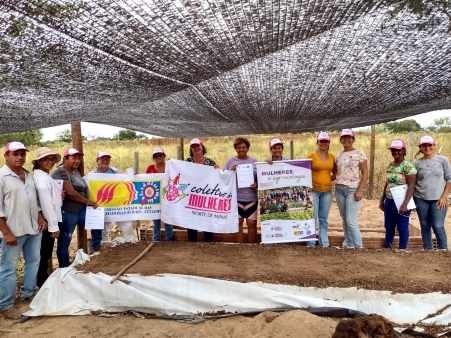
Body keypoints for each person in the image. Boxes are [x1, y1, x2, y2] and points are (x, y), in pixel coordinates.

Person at [0, 142, 47, 320]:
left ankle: (28, 293)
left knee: (33, 262)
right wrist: (6, 232)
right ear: (6, 156)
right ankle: (6, 304)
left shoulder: (28, 175)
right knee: (9, 268)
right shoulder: (2, 176)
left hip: (33, 229)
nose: (19, 157)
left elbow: (34, 201)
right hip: (13, 231)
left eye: (22, 154)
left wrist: (40, 217)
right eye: (15, 154)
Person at [51, 148, 98, 268]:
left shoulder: (76, 171)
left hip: (80, 210)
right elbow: (70, 192)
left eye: (78, 158)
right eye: (74, 158)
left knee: (97, 218)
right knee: (64, 241)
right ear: (65, 159)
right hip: (67, 212)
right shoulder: (61, 171)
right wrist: (88, 201)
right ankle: (64, 267)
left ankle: (97, 248)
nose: (77, 161)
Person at [88, 151, 136, 245]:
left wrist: (134, 178)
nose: (105, 161)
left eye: (107, 159)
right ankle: (103, 252)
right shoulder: (91, 175)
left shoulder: (116, 172)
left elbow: (125, 184)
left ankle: (133, 247)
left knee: (127, 228)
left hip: (119, 206)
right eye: (102, 159)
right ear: (97, 161)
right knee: (103, 231)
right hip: (101, 207)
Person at [32, 147, 63, 288]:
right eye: (46, 159)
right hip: (47, 221)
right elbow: (46, 205)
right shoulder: (42, 180)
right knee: (43, 254)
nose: (50, 162)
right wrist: (53, 227)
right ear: (38, 161)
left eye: (52, 159)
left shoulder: (44, 177)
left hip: (48, 220)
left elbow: (51, 200)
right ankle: (41, 283)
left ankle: (41, 282)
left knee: (43, 254)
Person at [413, 135, 451, 250]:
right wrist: (411, 200)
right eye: (424, 145)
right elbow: (412, 183)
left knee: (438, 226)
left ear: (434, 146)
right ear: (420, 147)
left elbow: (449, 179)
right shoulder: (416, 163)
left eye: (429, 145)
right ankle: (427, 250)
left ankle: (443, 250)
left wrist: (444, 197)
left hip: (439, 199)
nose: (427, 148)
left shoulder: (442, 160)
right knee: (425, 226)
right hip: (420, 198)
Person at [379, 139, 416, 250]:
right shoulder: (391, 165)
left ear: (403, 150)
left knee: (402, 226)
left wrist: (405, 204)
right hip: (389, 199)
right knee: (389, 225)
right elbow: (388, 183)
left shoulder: (408, 165)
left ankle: (402, 249)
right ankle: (387, 246)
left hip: (401, 200)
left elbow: (411, 186)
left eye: (398, 150)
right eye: (393, 150)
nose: (396, 152)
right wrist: (382, 199)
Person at [335, 129, 368, 248]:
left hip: (352, 189)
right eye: (343, 138)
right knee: (344, 219)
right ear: (340, 140)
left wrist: (360, 190)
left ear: (353, 139)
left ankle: (358, 246)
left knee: (351, 220)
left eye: (349, 137)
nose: (346, 140)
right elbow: (335, 174)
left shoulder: (359, 153)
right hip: (339, 189)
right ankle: (348, 243)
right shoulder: (339, 155)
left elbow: (365, 173)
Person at [224, 137, 258, 243]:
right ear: (236, 149)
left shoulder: (254, 161)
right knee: (238, 222)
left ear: (248, 148)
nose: (241, 149)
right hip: (236, 198)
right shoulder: (231, 161)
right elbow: (223, 176)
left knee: (251, 223)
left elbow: (260, 177)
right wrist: (231, 171)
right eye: (238, 148)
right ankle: (240, 247)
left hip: (251, 197)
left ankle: (252, 246)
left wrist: (256, 184)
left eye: (244, 147)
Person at [306, 132, 337, 247]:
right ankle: (310, 243)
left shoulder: (332, 157)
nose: (323, 143)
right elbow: (303, 171)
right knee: (313, 218)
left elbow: (335, 172)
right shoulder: (311, 156)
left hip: (327, 192)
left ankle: (324, 243)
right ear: (317, 142)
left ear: (329, 143)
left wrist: (328, 179)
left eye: (325, 141)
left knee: (323, 219)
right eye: (321, 141)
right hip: (314, 191)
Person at [185, 138, 218, 242]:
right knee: (191, 221)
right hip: (191, 197)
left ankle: (208, 243)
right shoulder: (187, 162)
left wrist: (217, 170)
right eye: (193, 147)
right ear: (191, 149)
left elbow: (216, 178)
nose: (196, 148)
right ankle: (192, 243)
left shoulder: (210, 162)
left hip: (206, 198)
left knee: (207, 220)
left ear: (202, 147)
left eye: (197, 146)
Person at [145, 148, 173, 242]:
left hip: (168, 197)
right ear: (153, 158)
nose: (158, 157)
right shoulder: (150, 168)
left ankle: (169, 239)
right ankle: (156, 239)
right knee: (156, 220)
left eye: (160, 155)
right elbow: (145, 181)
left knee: (168, 220)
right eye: (156, 156)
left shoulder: (170, 167)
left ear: (164, 156)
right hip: (155, 198)